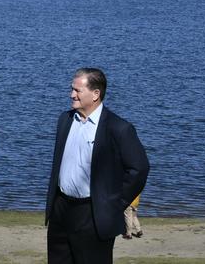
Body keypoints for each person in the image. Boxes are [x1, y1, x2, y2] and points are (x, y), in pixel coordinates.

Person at [45, 67, 149, 264]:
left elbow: (139, 169)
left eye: (77, 90)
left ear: (95, 94)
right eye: (72, 89)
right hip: (61, 211)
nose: (71, 94)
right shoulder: (65, 120)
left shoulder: (118, 128)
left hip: (93, 213)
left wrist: (115, 203)